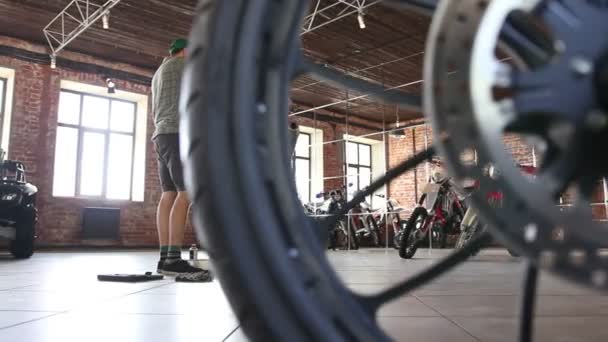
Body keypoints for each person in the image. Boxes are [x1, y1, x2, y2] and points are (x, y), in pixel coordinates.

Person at [151, 38, 209, 281]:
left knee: (169, 194)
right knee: (186, 193)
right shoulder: (181, 65)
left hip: (161, 135)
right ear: (184, 51)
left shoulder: (159, 72)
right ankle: (174, 260)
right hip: (176, 134)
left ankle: (165, 258)